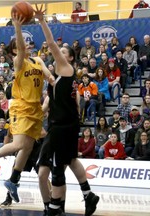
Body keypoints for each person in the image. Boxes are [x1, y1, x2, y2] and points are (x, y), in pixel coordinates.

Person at [0, 11, 54, 203]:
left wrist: (53, 80)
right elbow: (19, 45)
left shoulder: (39, 60)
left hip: (35, 109)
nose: (26, 45)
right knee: (19, 145)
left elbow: (48, 76)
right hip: (20, 106)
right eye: (22, 45)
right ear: (15, 52)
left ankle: (13, 180)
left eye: (27, 44)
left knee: (26, 147)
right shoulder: (18, 63)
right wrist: (18, 27)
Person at [34, 5, 99, 216]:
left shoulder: (65, 68)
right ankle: (88, 194)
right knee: (70, 160)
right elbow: (48, 73)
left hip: (61, 126)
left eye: (63, 53)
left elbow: (51, 43)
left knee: (58, 165)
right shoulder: (60, 77)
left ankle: (54, 206)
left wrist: (42, 21)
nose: (59, 54)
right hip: (68, 123)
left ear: (70, 58)